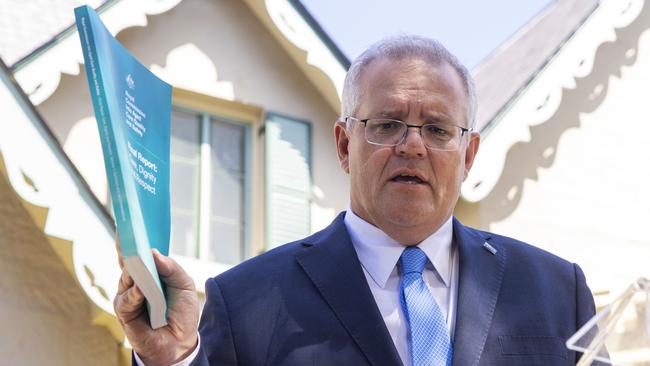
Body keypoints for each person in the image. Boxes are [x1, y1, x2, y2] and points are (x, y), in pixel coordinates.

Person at [115, 35, 597, 366]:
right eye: (387, 125)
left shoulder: (558, 292)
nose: (412, 146)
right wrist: (170, 358)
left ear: (468, 155)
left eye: (437, 129)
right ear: (345, 145)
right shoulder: (247, 302)